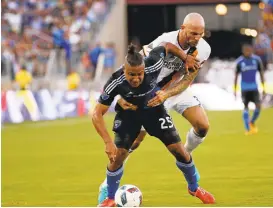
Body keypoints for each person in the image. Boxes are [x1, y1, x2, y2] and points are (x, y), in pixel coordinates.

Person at [98, 13, 211, 202]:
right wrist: (121, 95)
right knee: (134, 141)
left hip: (175, 89)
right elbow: (133, 65)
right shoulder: (165, 40)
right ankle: (107, 183)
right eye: (193, 33)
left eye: (201, 34)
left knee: (203, 126)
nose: (197, 38)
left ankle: (185, 153)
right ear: (182, 29)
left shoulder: (204, 49)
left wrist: (167, 94)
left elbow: (188, 79)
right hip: (150, 92)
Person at [234, 44, 265, 135]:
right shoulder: (239, 62)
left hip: (254, 88)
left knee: (258, 107)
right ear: (243, 51)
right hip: (244, 88)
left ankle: (252, 121)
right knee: (246, 108)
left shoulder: (256, 60)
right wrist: (235, 90)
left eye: (249, 50)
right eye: (246, 50)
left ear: (251, 50)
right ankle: (248, 129)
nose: (248, 52)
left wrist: (263, 87)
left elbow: (261, 73)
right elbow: (236, 76)